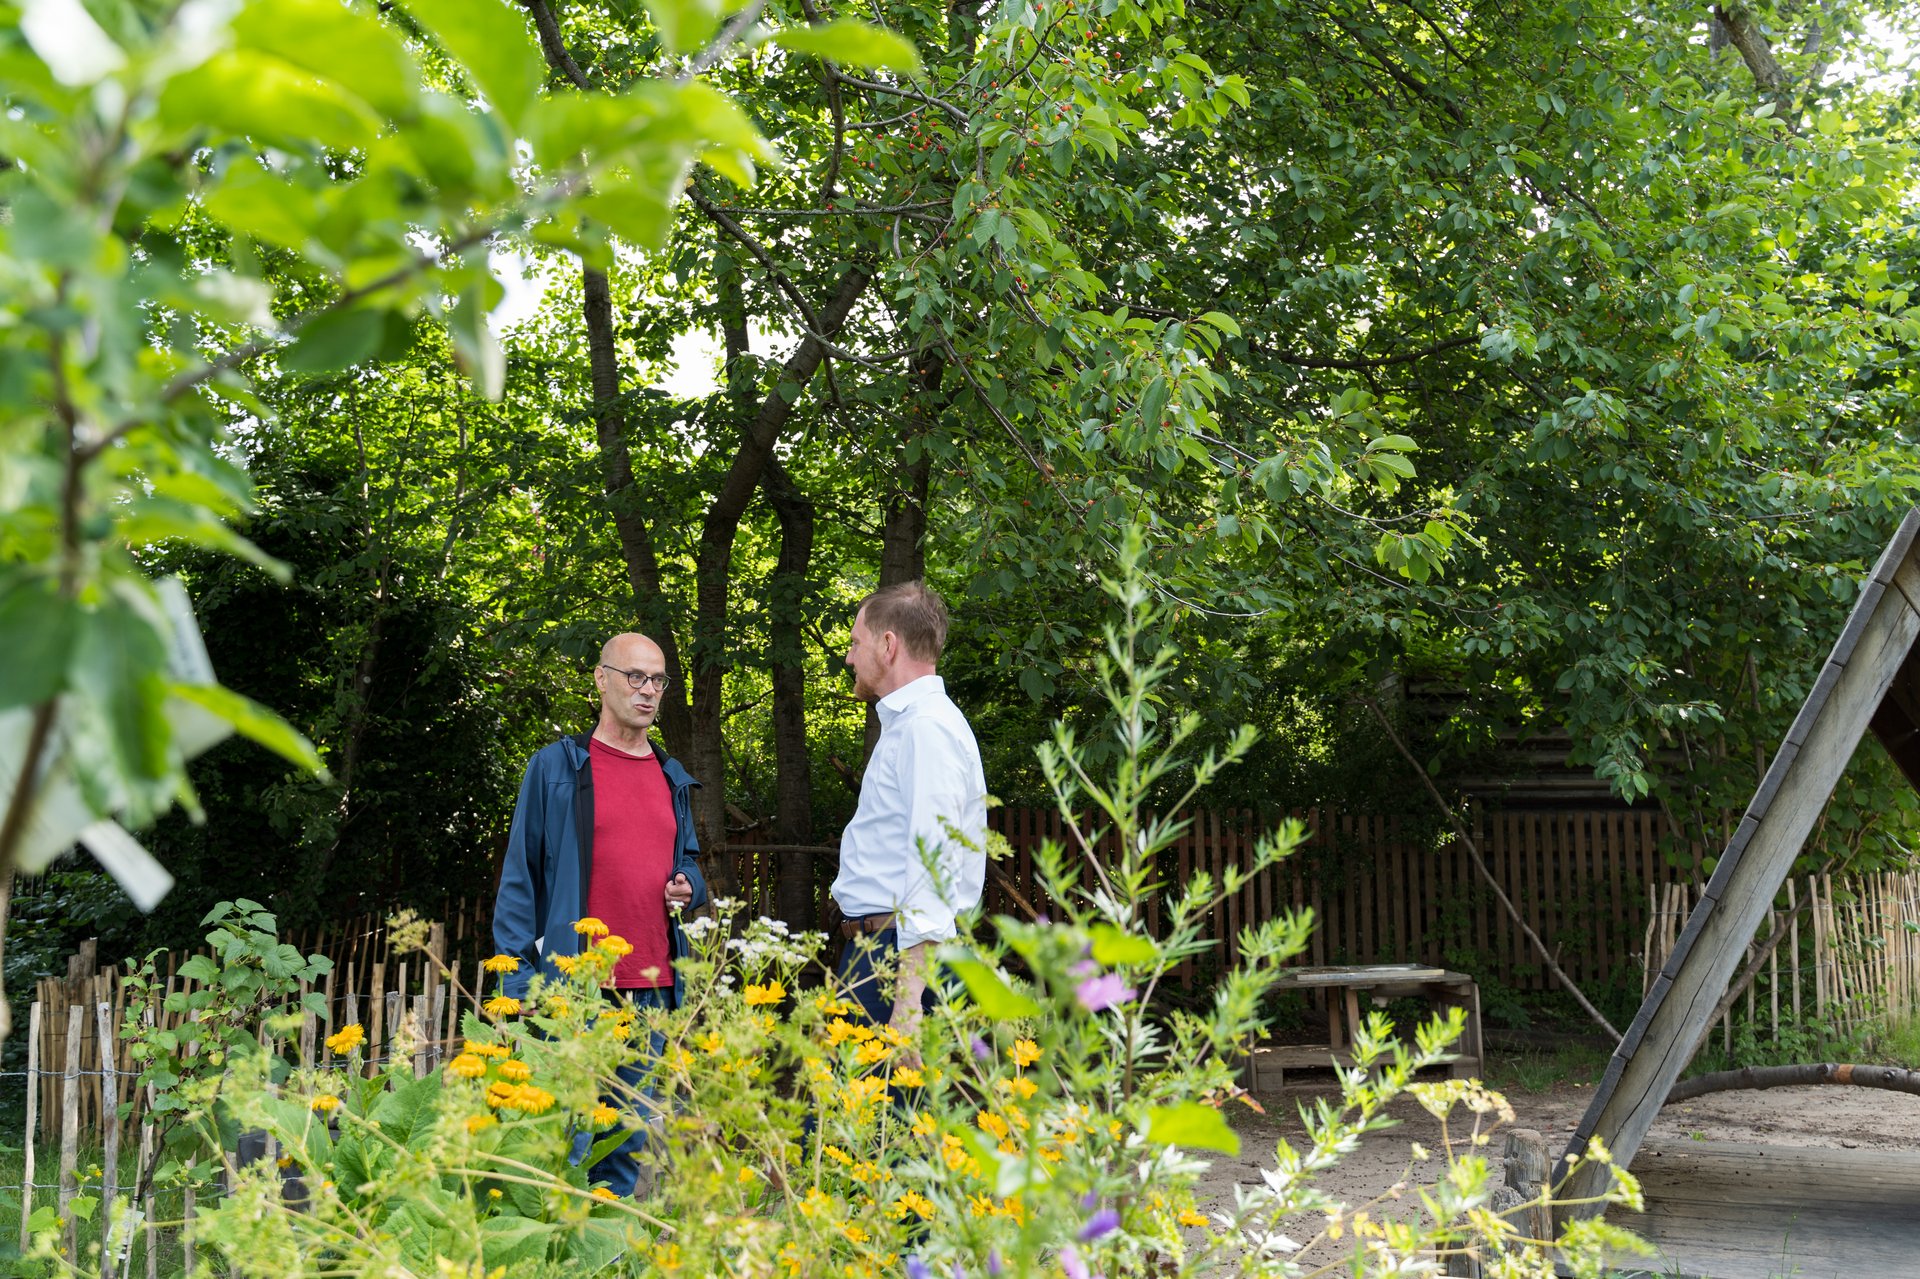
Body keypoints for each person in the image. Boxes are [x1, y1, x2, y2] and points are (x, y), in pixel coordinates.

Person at [492, 632, 708, 1197]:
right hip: (575, 995)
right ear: (601, 678)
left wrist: (691, 886)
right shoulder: (557, 769)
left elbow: (688, 862)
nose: (647, 690)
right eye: (634, 676)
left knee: (625, 1158)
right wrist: (518, 984)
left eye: (657, 679)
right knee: (562, 1153)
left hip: (651, 993)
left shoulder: (671, 776)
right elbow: (521, 880)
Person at [830, 582, 989, 1039]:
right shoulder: (913, 725)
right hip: (885, 953)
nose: (848, 658)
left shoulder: (926, 730)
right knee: (856, 1109)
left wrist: (908, 1001)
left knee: (871, 1108)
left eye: (855, 643)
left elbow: (932, 867)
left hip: (897, 961)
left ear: (888, 644)